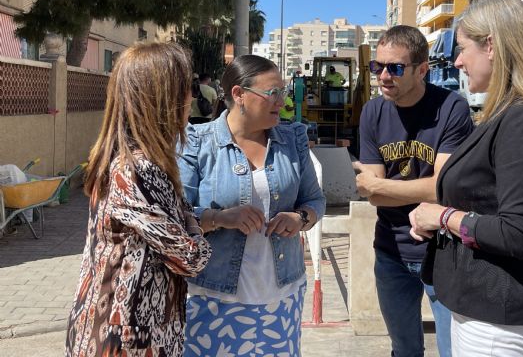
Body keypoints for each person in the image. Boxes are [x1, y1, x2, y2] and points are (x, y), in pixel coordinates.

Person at [409, 0, 523, 356]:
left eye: (463, 48)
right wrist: (436, 221)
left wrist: (442, 215)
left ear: (492, 46)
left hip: (502, 317)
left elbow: (517, 233)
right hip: (485, 310)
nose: (457, 61)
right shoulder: (508, 116)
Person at [65, 42, 212, 356]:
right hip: (127, 337)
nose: (191, 97)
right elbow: (191, 257)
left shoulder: (125, 160)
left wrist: (189, 220)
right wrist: (195, 227)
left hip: (122, 329)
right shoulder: (137, 170)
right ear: (164, 97)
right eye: (187, 87)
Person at [178, 54, 326, 357]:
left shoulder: (292, 139)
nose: (281, 102)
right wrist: (218, 218)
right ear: (238, 95)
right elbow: (175, 216)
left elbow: (315, 200)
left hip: (280, 296)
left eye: (282, 93)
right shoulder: (197, 142)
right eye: (273, 93)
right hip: (211, 296)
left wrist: (300, 218)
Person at [355, 25, 474, 357]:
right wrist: (383, 189)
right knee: (404, 349)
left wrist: (380, 186)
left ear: (422, 69)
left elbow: (445, 187)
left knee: (455, 350)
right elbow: (373, 195)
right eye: (377, 67)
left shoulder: (451, 108)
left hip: (444, 253)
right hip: (390, 253)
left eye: (395, 68)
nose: (383, 76)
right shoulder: (373, 112)